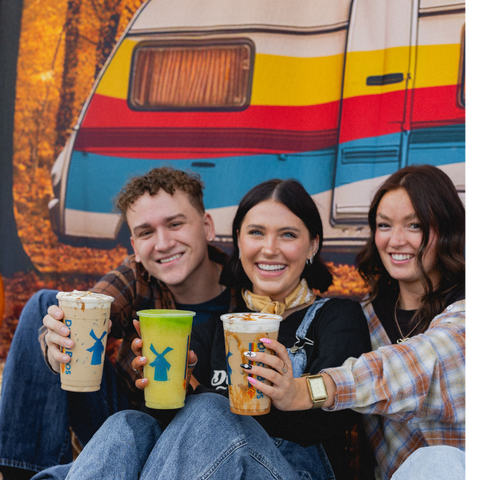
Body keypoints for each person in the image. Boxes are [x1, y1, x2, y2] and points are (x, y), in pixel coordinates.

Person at [55, 178, 372, 480]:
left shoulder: (338, 315)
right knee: (129, 423)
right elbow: (179, 438)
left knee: (209, 409)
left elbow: (340, 415)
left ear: (312, 245)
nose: (270, 248)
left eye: (288, 234)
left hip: (296, 469)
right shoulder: (219, 329)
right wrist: (170, 381)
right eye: (256, 233)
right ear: (239, 240)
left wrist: (291, 393)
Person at [0, 167, 232, 480]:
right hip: (125, 425)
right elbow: (88, 309)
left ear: (206, 227)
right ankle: (22, 474)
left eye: (175, 224)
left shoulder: (244, 292)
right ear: (135, 246)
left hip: (209, 444)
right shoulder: (137, 278)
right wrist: (56, 346)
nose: (162, 243)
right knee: (46, 304)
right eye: (146, 233)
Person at [246, 165, 474, 479]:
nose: (396, 240)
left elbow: (414, 365)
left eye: (415, 225)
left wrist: (304, 390)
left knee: (440, 462)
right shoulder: (363, 316)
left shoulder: (469, 312)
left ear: (446, 229)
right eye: (384, 225)